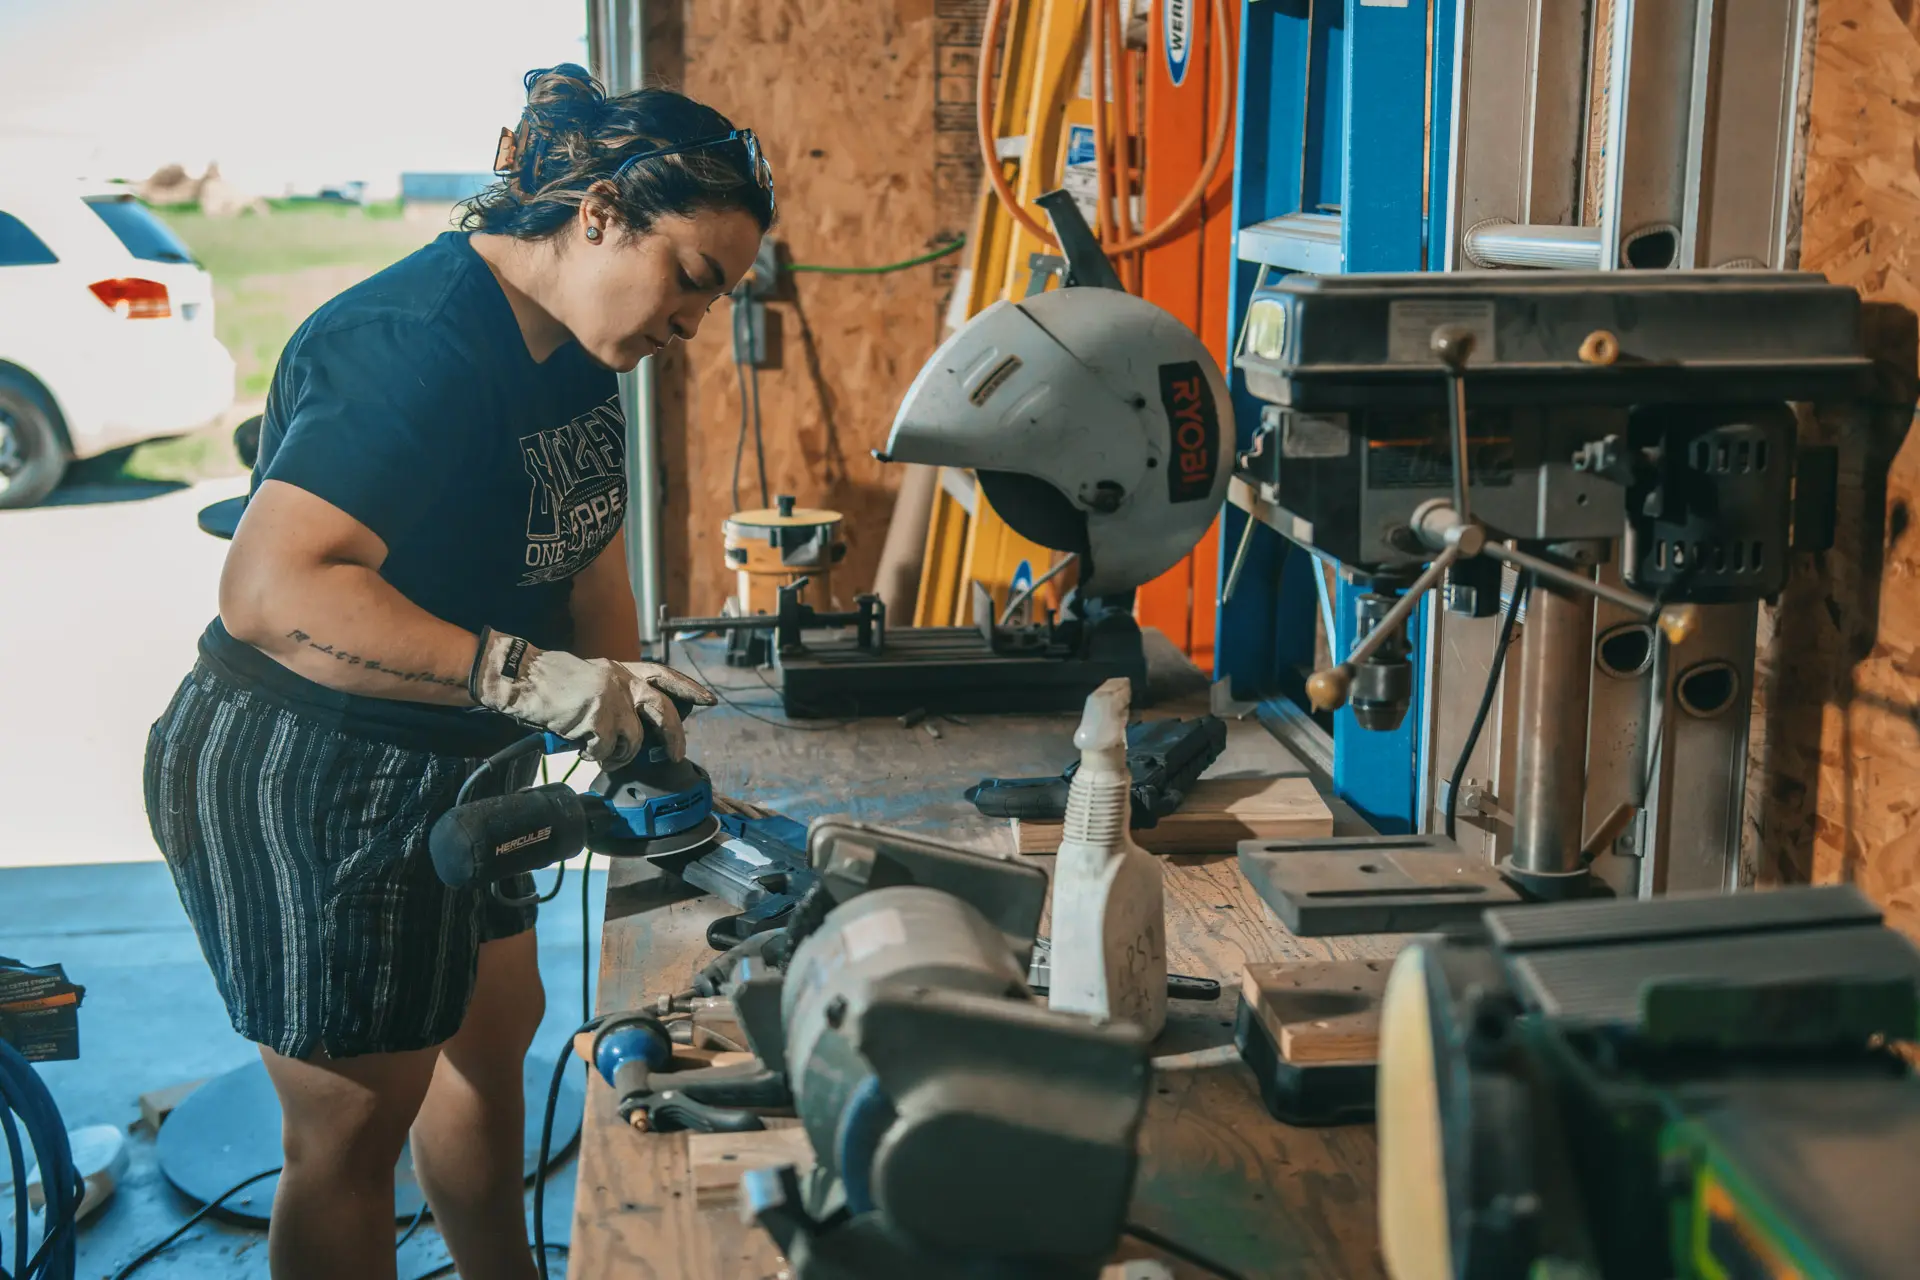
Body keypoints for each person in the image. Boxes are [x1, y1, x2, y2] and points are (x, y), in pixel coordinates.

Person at [143, 65, 774, 1280]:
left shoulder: (587, 347)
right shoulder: (414, 342)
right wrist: (527, 676)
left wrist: (625, 692)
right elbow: (274, 588)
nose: (693, 323)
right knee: (354, 1122)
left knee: (492, 1036)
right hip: (314, 766)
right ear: (597, 212)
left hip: (462, 756)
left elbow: (585, 543)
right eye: (692, 278)